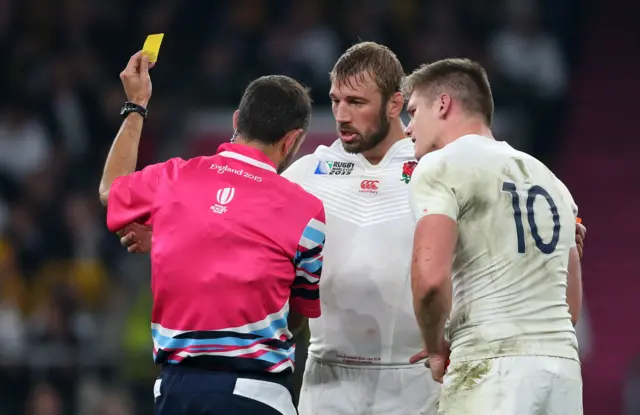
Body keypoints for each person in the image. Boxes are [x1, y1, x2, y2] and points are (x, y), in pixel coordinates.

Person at [118, 43, 587, 415]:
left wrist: (561, 243)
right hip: (329, 378)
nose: (341, 115)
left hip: (417, 381)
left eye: (357, 102)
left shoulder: (437, 167)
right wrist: (167, 237)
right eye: (336, 101)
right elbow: (239, 233)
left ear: (395, 104)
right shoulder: (305, 174)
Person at [98, 51, 326, 415]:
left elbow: (111, 190)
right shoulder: (307, 212)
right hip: (258, 398)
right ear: (293, 140)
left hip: (176, 394)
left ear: (237, 120)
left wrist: (137, 104)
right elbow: (296, 316)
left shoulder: (173, 178)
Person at [404, 58, 583, 414]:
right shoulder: (553, 181)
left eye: (412, 111)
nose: (408, 128)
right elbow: (570, 307)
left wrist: (436, 346)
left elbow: (430, 282)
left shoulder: (440, 165)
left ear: (442, 104)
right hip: (561, 370)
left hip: (492, 366)